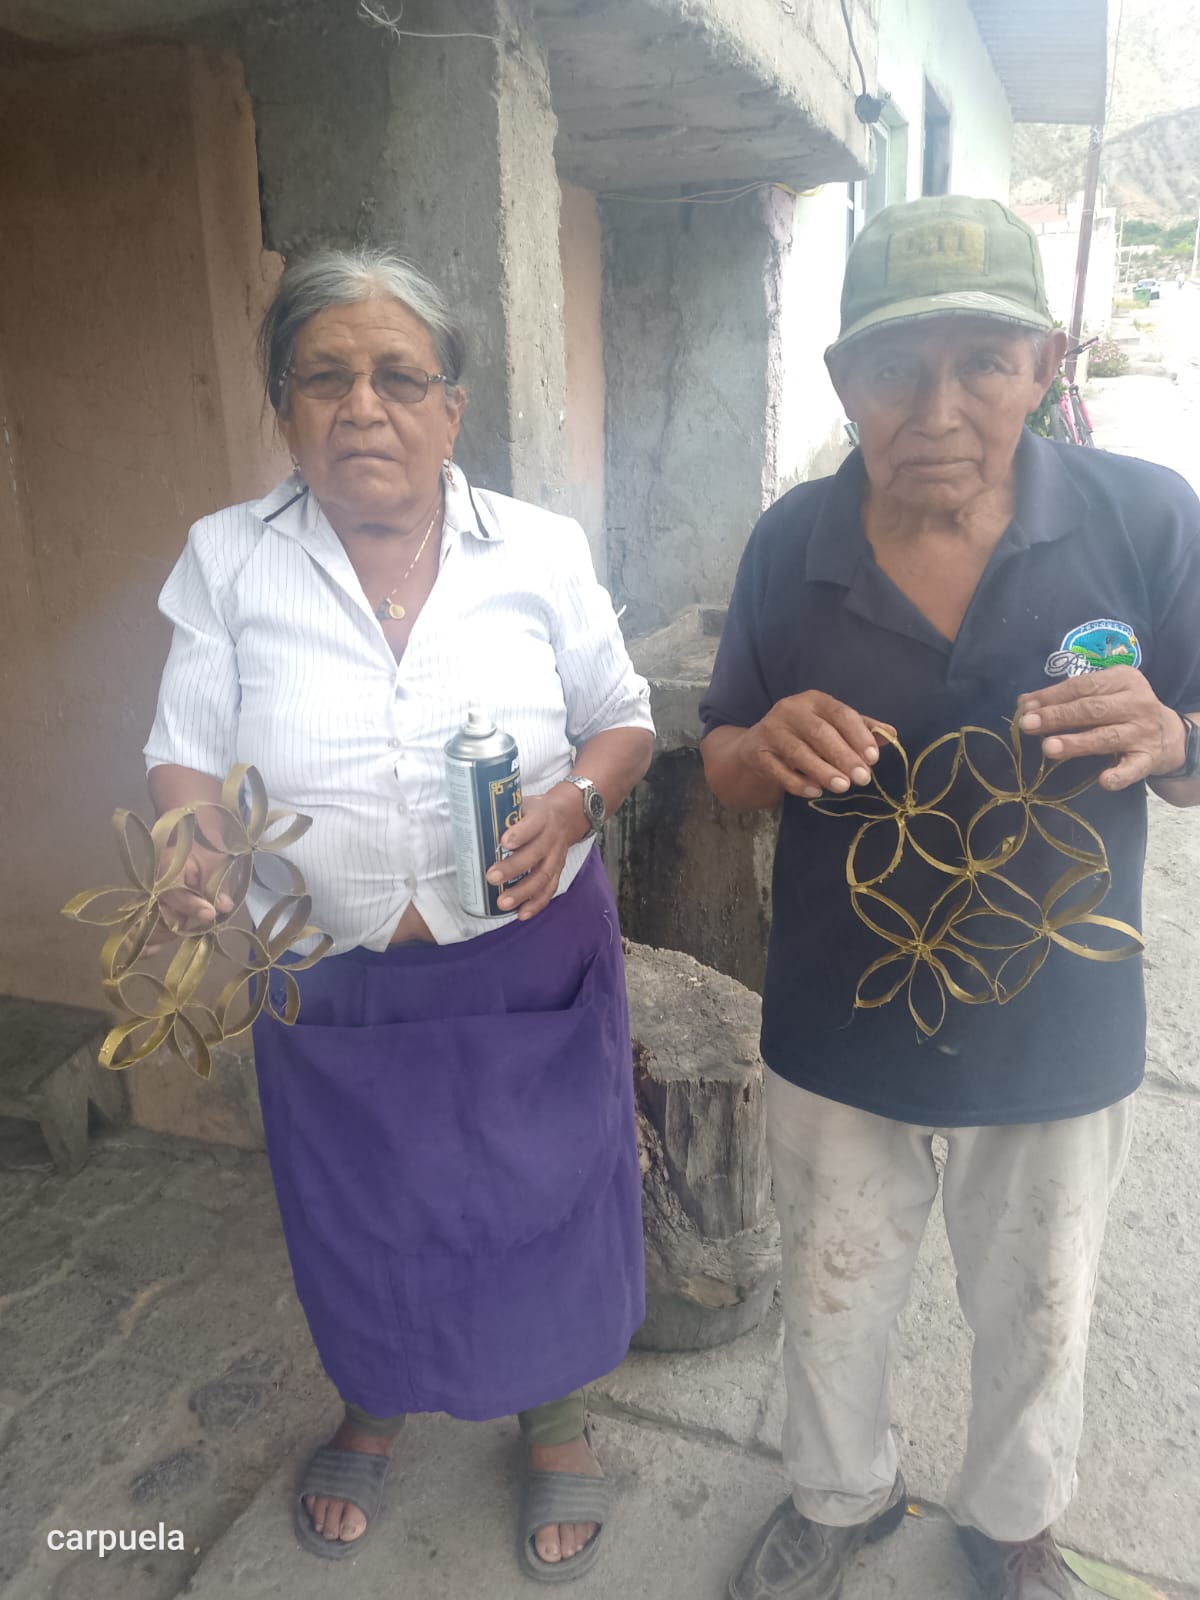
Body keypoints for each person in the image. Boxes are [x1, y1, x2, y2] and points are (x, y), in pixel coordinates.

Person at [701, 196, 1200, 1600]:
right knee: (833, 1286)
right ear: (841, 382)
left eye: (982, 360)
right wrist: (764, 746)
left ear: (1044, 364)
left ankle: (1012, 1524)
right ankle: (838, 1499)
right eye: (894, 368)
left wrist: (1174, 735)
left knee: (1040, 1304)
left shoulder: (1147, 518)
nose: (937, 410)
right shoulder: (792, 544)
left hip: (1059, 1027)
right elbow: (723, 759)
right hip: (839, 1019)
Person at [143, 247, 655, 1579]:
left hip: (525, 954)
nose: (362, 406)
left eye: (398, 377)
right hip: (329, 968)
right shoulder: (227, 558)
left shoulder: (537, 548)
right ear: (283, 405)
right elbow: (186, 749)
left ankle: (557, 1417)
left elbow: (623, 718)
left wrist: (577, 808)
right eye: (324, 377)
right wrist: (194, 854)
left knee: (543, 1192)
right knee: (362, 1205)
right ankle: (377, 1400)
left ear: (452, 407)